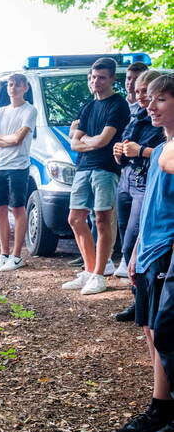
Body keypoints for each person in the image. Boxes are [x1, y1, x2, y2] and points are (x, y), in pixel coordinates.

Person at [111, 74, 174, 432]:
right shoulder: (161, 147)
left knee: (167, 334)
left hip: (167, 250)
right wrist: (135, 252)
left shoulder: (164, 152)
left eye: (160, 99)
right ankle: (161, 407)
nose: (150, 105)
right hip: (149, 250)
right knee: (155, 332)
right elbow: (150, 204)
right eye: (148, 99)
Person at [61, 57, 130, 295]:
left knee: (101, 219)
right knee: (75, 218)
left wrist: (87, 141)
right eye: (92, 77)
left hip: (106, 168)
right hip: (83, 168)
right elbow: (74, 143)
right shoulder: (88, 107)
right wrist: (91, 142)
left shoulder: (118, 105)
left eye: (101, 77)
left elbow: (104, 140)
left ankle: (100, 274)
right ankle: (90, 271)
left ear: (112, 78)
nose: (95, 81)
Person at [113, 69, 166, 322]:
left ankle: (144, 299)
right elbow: (129, 144)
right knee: (128, 240)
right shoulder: (137, 115)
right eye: (140, 92)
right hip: (128, 179)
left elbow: (161, 153)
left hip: (147, 185)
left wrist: (141, 150)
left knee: (133, 239)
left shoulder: (159, 120)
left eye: (148, 92)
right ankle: (139, 299)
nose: (145, 99)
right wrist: (121, 150)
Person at [0, 74, 38, 272]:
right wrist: (7, 139)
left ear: (25, 88)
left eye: (17, 85)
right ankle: (3, 254)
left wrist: (1, 138)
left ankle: (17, 256)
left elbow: (19, 139)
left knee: (17, 209)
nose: (13, 88)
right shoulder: (0, 112)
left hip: (18, 166)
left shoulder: (29, 110)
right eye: (10, 84)